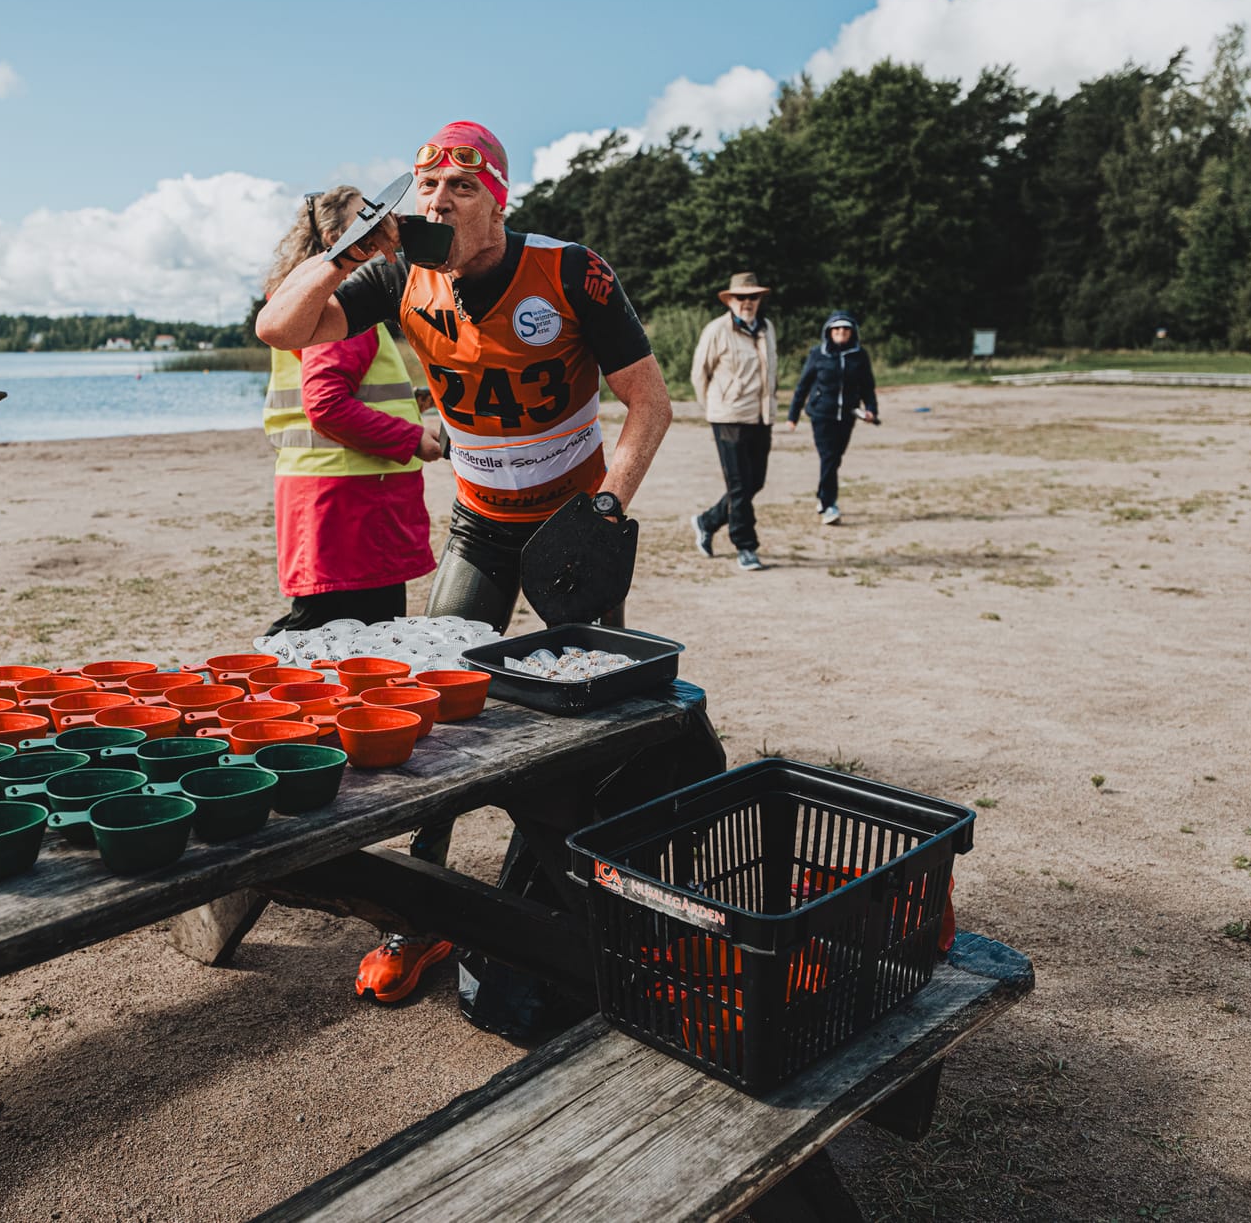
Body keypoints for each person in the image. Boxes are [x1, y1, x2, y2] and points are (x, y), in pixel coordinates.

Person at [258, 120, 673, 1006]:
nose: (440, 202)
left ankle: (594, 899)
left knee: (595, 722)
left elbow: (649, 402)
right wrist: (346, 251)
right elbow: (279, 325)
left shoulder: (571, 272)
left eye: (461, 188)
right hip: (480, 524)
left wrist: (608, 509)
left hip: (570, 526)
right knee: (430, 712)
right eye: (428, 188)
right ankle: (420, 915)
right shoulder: (399, 274)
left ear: (499, 202)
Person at [261, 188, 444, 635]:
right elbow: (325, 404)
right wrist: (413, 439)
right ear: (335, 238)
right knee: (348, 638)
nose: (383, 224)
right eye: (366, 219)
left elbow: (345, 390)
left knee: (326, 631)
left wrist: (415, 401)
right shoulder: (341, 308)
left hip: (332, 502)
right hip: (351, 509)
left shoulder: (308, 305)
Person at [691, 272, 778, 571]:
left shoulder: (767, 328)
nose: (747, 303)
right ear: (730, 301)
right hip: (728, 418)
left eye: (752, 297)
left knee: (755, 482)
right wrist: (715, 408)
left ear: (759, 300)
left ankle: (707, 521)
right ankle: (745, 546)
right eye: (741, 297)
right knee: (739, 485)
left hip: (760, 417)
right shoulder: (717, 330)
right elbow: (699, 374)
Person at [786, 311, 878, 525]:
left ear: (852, 332)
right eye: (836, 329)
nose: (841, 332)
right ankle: (829, 505)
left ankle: (822, 494)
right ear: (829, 332)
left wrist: (871, 409)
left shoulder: (859, 355)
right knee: (828, 457)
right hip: (821, 415)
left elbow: (867, 386)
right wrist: (793, 415)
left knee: (835, 459)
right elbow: (802, 386)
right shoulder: (817, 354)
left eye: (845, 329)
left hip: (847, 415)